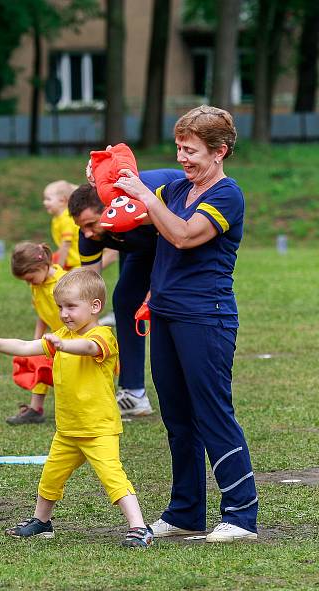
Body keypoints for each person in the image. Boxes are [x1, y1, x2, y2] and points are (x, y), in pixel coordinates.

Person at [114, 105, 258, 543]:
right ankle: (186, 512)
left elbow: (182, 235)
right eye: (179, 148)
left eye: (191, 151)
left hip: (206, 317)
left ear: (220, 152)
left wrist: (143, 195)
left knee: (213, 412)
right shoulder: (176, 189)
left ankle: (241, 515)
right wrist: (107, 178)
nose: (182, 158)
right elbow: (133, 216)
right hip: (167, 316)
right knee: (177, 417)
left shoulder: (227, 195)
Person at [0, 268, 154, 548]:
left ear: (95, 306)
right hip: (67, 430)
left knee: (113, 477)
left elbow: (88, 348)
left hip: (98, 429)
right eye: (60, 307)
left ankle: (139, 527)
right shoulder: (61, 336)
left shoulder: (103, 337)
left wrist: (63, 344)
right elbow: (25, 346)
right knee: (50, 478)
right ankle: (42, 522)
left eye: (71, 307)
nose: (64, 314)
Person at [69, 167, 184, 416]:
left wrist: (155, 288)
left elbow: (178, 239)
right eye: (82, 227)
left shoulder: (140, 207)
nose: (87, 232)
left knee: (164, 301)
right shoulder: (89, 235)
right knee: (125, 301)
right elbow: (90, 287)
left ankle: (187, 385)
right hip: (143, 246)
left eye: (90, 223)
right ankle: (134, 393)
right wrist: (87, 334)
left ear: (109, 207)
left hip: (177, 232)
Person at [4, 242, 66, 425]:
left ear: (43, 266)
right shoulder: (37, 284)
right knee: (39, 364)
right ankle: (35, 409)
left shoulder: (63, 283)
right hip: (54, 337)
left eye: (30, 279)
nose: (29, 283)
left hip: (73, 339)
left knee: (69, 377)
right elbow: (42, 313)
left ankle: (77, 411)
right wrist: (36, 341)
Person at [42, 180, 80, 269]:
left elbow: (66, 244)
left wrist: (59, 267)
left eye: (48, 199)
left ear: (62, 200)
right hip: (71, 263)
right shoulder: (57, 218)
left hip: (77, 264)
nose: (44, 202)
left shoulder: (66, 219)